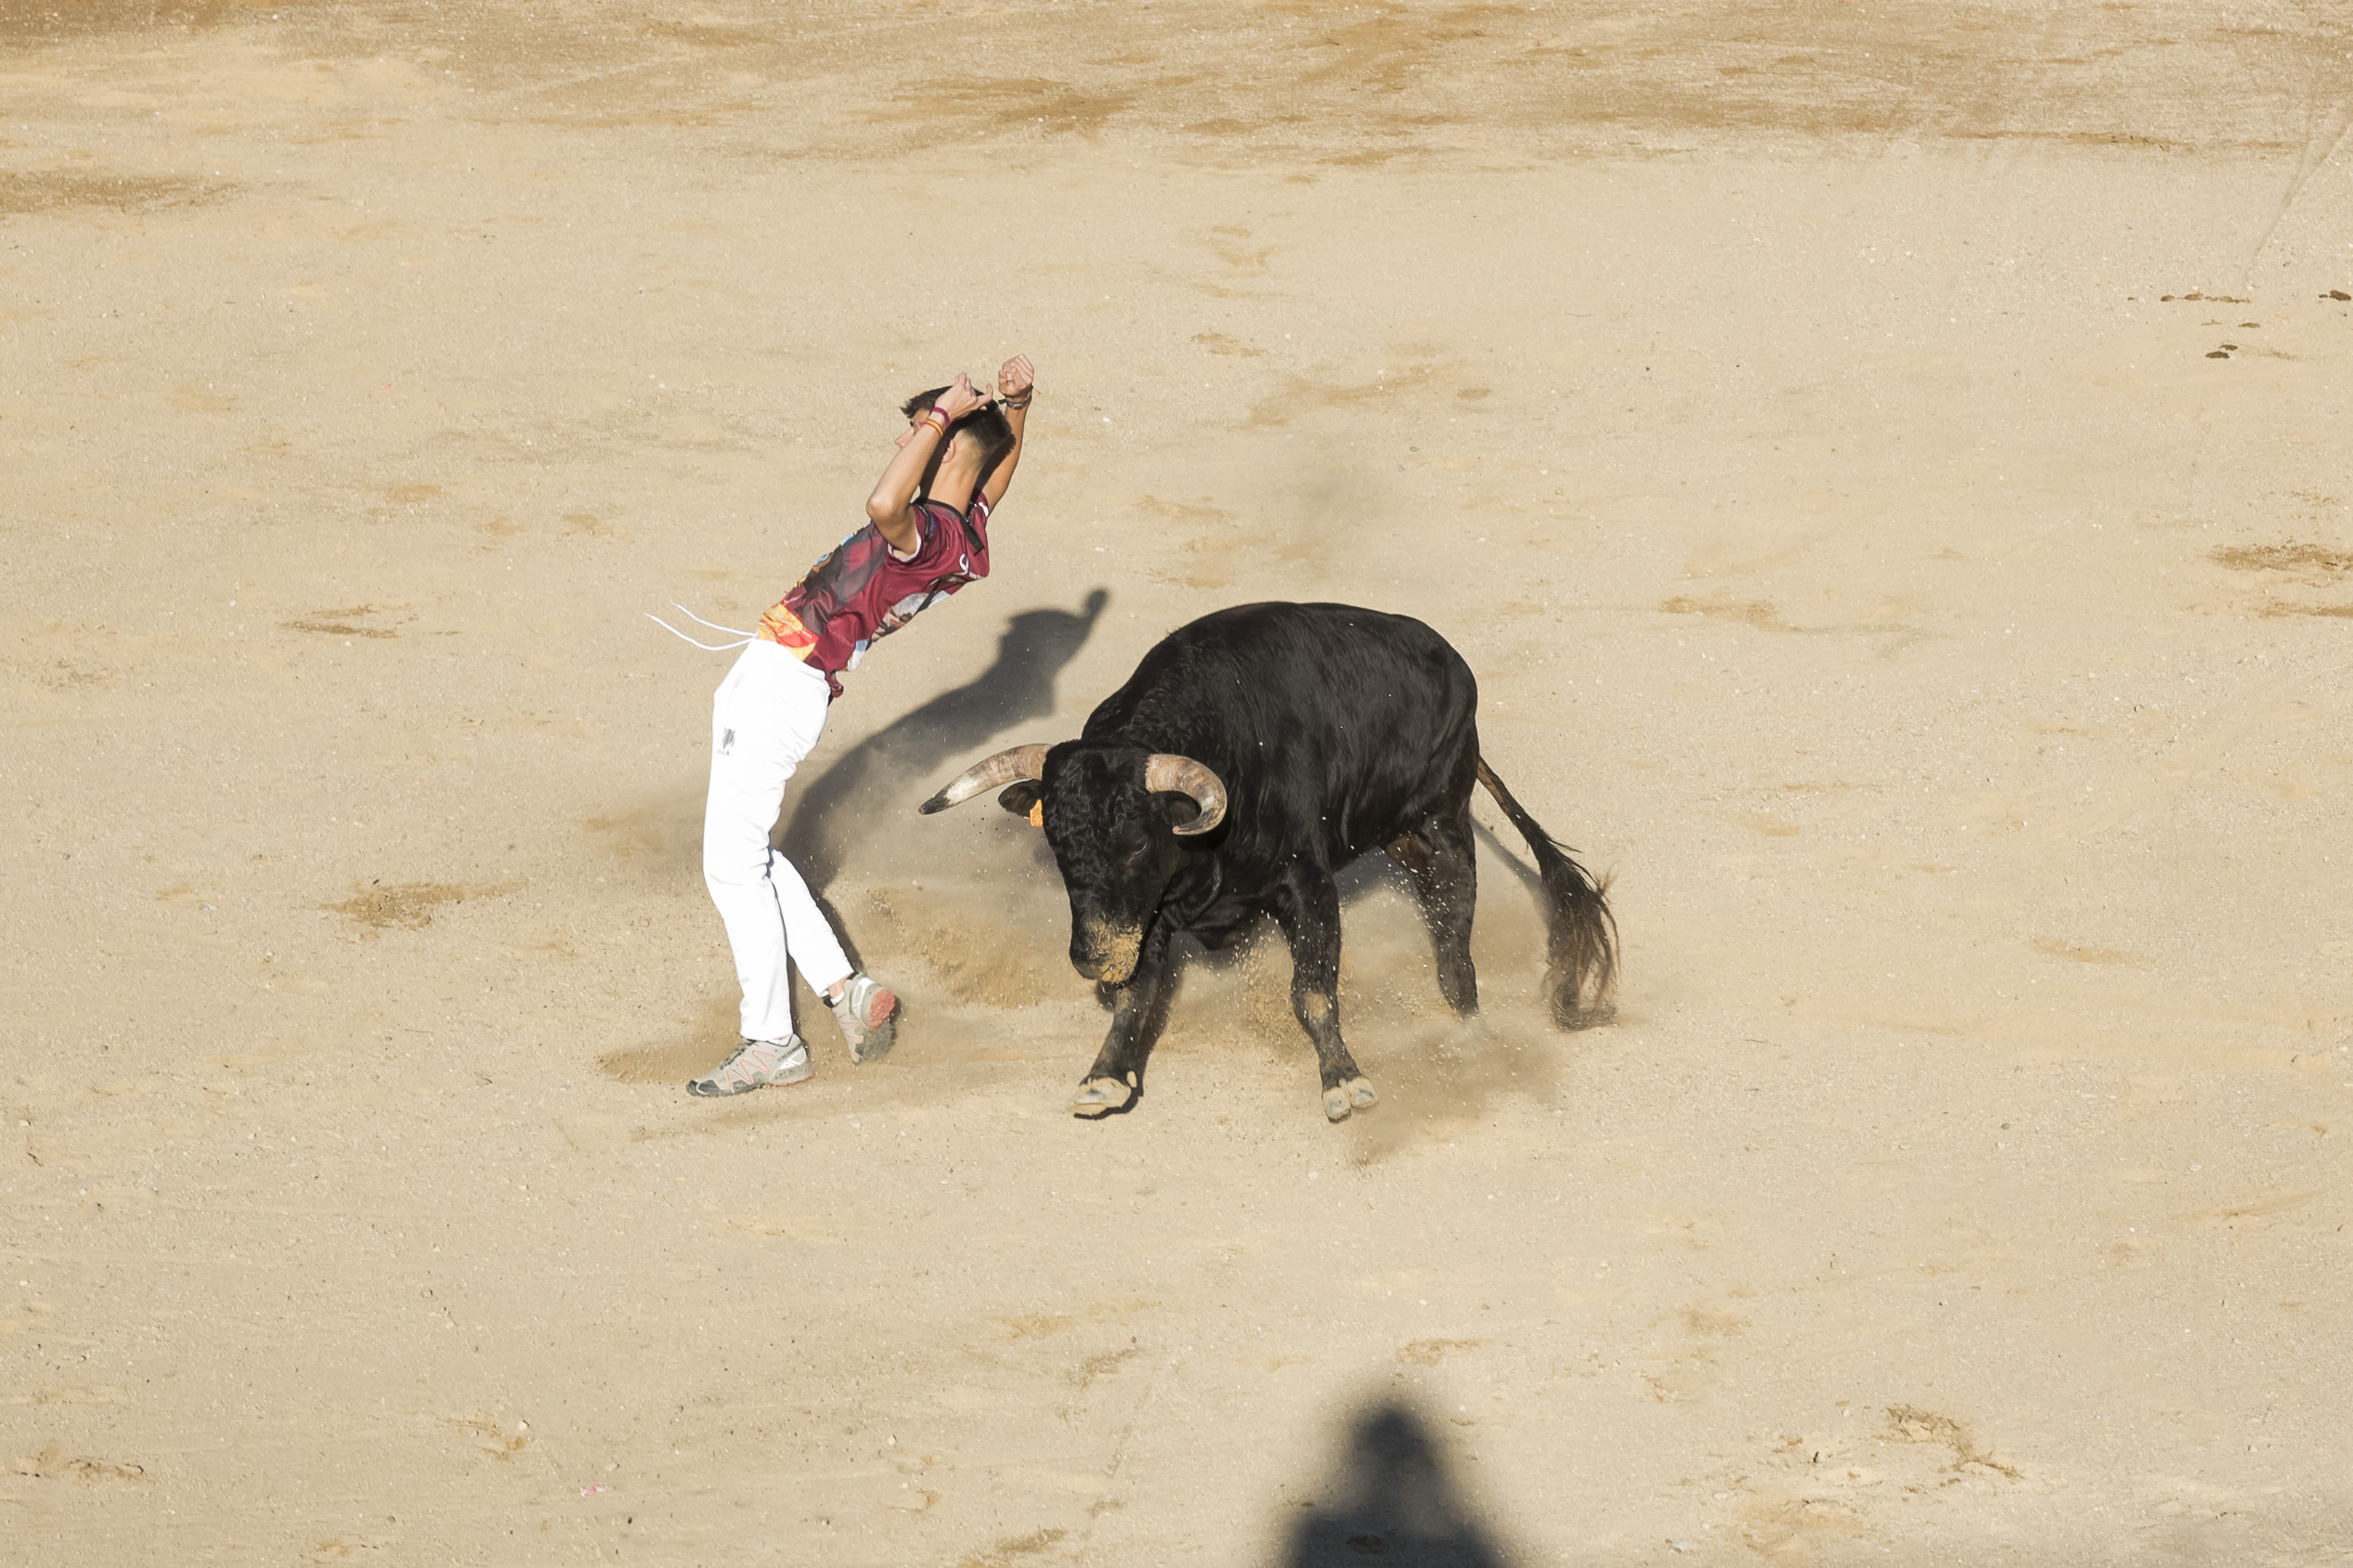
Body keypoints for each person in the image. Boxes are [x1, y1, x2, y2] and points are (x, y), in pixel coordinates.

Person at [688, 356, 1035, 1096]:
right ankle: (845, 991)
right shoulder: (968, 536)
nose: (905, 447)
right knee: (751, 852)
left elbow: (885, 503)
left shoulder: (930, 531)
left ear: (941, 452)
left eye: (914, 437)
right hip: (796, 680)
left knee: (729, 864)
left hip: (786, 678)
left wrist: (942, 414)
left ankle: (772, 1040)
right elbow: (993, 477)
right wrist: (1019, 408)